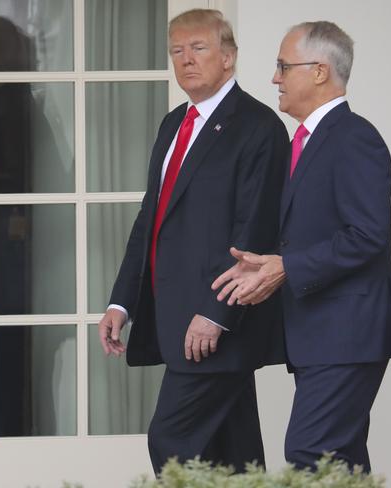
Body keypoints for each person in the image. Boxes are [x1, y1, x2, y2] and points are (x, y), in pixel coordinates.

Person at [97, 9, 289, 474]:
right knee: (234, 454)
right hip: (175, 315)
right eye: (177, 51)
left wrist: (216, 314)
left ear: (228, 57)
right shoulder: (173, 124)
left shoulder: (259, 127)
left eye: (198, 48)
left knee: (172, 440)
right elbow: (152, 220)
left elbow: (256, 232)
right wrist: (122, 303)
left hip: (215, 322)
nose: (186, 60)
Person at [212, 21, 391, 472]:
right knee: (339, 463)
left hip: (347, 333)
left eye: (282, 66)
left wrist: (287, 266)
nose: (274, 78)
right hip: (320, 334)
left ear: (319, 71)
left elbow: (367, 235)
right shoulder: (306, 141)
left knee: (312, 454)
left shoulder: (354, 137)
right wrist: (265, 264)